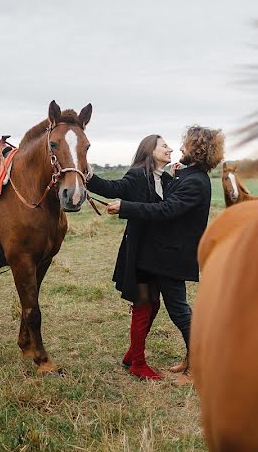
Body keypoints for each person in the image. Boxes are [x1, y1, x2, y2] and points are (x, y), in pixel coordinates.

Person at [106, 125, 224, 378]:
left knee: (179, 310)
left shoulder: (195, 182)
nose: (179, 148)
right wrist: (175, 174)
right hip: (160, 256)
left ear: (197, 149)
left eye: (185, 144)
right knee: (151, 305)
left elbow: (166, 210)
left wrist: (125, 207)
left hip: (172, 257)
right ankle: (171, 359)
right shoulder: (187, 175)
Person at [86, 134, 174, 380]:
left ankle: (131, 354)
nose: (170, 149)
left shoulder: (166, 179)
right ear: (150, 151)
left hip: (158, 254)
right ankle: (137, 363)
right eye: (165, 146)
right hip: (140, 254)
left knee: (154, 304)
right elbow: (111, 188)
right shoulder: (137, 176)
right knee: (143, 305)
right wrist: (89, 175)